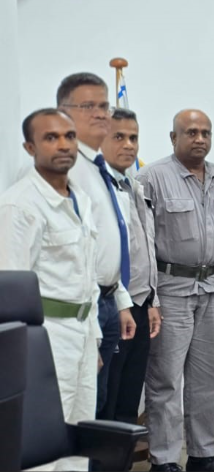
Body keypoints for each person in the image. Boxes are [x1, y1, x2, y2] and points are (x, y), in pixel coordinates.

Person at [0, 109, 98, 471]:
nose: (63, 145)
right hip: (45, 339)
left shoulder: (80, 198)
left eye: (69, 136)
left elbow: (84, 277)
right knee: (39, 439)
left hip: (83, 333)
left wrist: (94, 337)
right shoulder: (19, 205)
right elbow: (10, 293)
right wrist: (19, 357)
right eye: (51, 137)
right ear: (29, 147)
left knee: (77, 435)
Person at [137, 109, 214, 472]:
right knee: (165, 381)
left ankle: (203, 455)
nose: (199, 139)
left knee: (208, 379)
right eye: (191, 132)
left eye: (206, 132)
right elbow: (144, 244)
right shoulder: (152, 178)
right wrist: (152, 298)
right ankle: (163, 459)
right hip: (171, 290)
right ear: (173, 137)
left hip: (212, 287)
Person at [55, 72, 135, 414]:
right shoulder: (64, 169)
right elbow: (65, 258)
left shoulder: (99, 169)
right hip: (77, 311)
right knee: (80, 412)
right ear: (63, 112)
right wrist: (89, 332)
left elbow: (103, 244)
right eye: (88, 105)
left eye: (104, 105)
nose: (101, 113)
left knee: (98, 407)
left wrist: (120, 300)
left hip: (106, 303)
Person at [99, 108, 162, 424]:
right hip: (111, 306)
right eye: (118, 137)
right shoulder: (96, 189)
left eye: (133, 137)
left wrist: (151, 301)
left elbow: (144, 249)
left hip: (139, 303)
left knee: (128, 396)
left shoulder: (135, 184)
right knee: (105, 399)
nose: (128, 145)